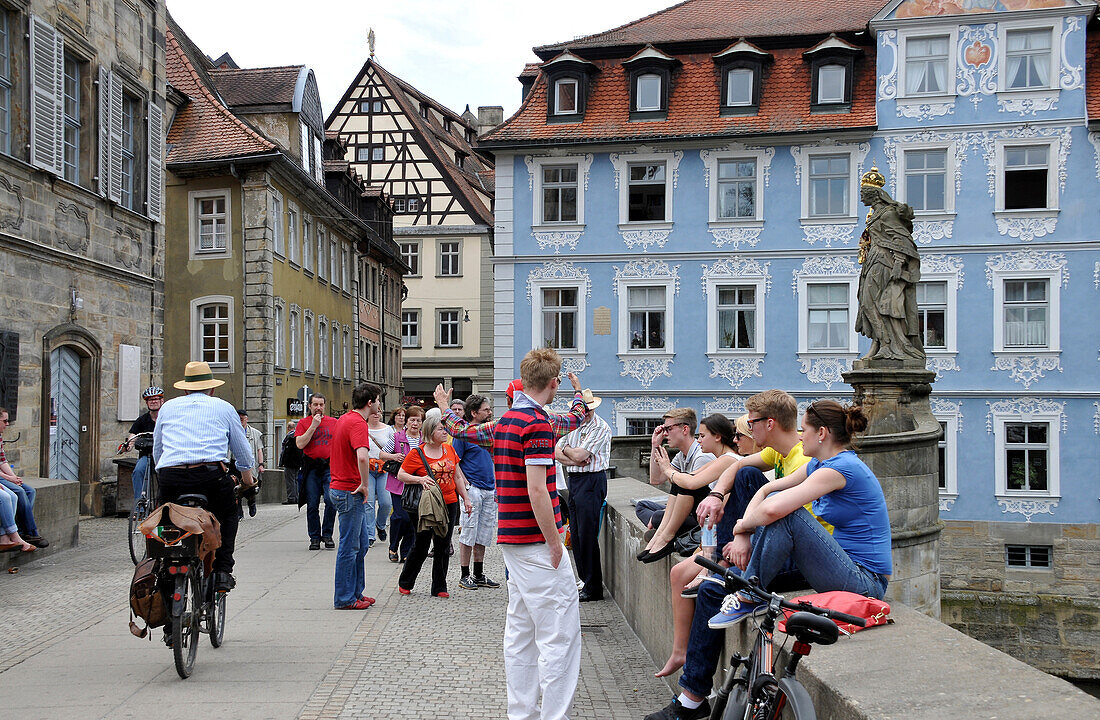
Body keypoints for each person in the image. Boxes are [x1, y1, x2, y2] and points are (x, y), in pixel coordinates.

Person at [643, 401, 892, 720]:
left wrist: (739, 528)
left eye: (806, 430)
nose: (802, 437)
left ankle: (748, 592)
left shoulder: (840, 468)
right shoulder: (818, 465)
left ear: (823, 433)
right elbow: (770, 490)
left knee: (789, 515)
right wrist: (743, 534)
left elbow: (776, 511)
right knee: (715, 588)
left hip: (864, 583)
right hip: (833, 571)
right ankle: (692, 700)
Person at [643, 391, 817, 720]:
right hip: (773, 544)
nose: (743, 435)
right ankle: (692, 699)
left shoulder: (803, 459)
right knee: (745, 476)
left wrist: (740, 533)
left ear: (769, 424)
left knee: (711, 587)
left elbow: (785, 520)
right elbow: (739, 468)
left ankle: (691, 700)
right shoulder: (779, 453)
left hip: (800, 560)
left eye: (749, 426)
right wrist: (719, 495)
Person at [494, 348, 581, 720]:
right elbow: (538, 489)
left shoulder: (506, 420)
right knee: (559, 634)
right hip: (535, 540)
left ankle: (522, 713)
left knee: (521, 633)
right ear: (553, 382)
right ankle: (553, 716)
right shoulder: (537, 423)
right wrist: (553, 541)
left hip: (512, 538)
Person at [153, 361, 255, 595]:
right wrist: (247, 479)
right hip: (209, 476)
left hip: (171, 476)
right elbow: (242, 451)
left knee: (167, 522)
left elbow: (158, 451)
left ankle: (167, 575)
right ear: (211, 389)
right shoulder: (223, 407)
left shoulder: (167, 408)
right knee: (228, 514)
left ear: (185, 389)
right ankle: (221, 571)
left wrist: (164, 473)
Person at [649, 414, 740, 678]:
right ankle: (679, 651)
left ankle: (664, 538)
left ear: (717, 437)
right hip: (713, 534)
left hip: (724, 539)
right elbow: (679, 482)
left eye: (703, 436)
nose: (699, 440)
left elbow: (687, 483)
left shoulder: (729, 459)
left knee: (664, 505)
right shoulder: (722, 458)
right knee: (678, 573)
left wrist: (668, 469)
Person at [396, 408, 471, 597]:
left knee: (443, 544)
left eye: (445, 429)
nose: (445, 432)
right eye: (441, 429)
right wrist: (419, 480)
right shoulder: (417, 453)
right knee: (421, 544)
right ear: (430, 432)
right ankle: (406, 581)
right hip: (426, 506)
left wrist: (466, 499)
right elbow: (401, 474)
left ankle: (439, 586)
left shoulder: (450, 449)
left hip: (449, 503)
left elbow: (457, 477)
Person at [433, 394, 500, 592]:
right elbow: (455, 461)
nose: (490, 412)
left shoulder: (487, 433)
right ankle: (464, 574)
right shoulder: (465, 435)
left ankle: (478, 574)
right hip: (474, 489)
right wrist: (466, 485)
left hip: (489, 488)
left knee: (484, 533)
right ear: (474, 413)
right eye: (486, 410)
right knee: (469, 531)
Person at [328, 382, 383, 610]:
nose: (379, 404)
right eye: (378, 400)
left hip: (340, 488)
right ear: (370, 402)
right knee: (349, 547)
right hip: (349, 490)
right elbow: (362, 457)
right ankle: (344, 598)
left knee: (360, 543)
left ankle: (356, 593)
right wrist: (364, 484)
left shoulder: (346, 419)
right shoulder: (359, 423)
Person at [637, 409, 715, 563]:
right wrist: (655, 445)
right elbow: (656, 479)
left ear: (685, 429)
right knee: (642, 505)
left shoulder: (702, 455)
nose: (665, 433)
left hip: (702, 517)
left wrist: (668, 470)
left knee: (660, 515)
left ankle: (663, 534)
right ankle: (662, 531)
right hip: (686, 509)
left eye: (668, 429)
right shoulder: (682, 455)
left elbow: (689, 488)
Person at [555, 389, 612, 602]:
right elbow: (557, 451)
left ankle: (593, 586)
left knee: (587, 535)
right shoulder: (574, 426)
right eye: (582, 409)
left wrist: (570, 451)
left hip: (591, 480)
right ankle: (584, 581)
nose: (585, 412)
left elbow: (576, 453)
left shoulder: (600, 427)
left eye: (588, 409)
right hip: (576, 480)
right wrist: (574, 457)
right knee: (577, 536)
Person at [0, 407, 47, 548]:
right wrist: (9, 478)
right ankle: (30, 533)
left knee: (29, 491)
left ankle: (21, 531)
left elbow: (2, 461)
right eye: (5, 421)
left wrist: (14, 477)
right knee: (17, 493)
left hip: (3, 475)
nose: (7, 424)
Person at [296, 394, 337, 551]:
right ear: (310, 406)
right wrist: (313, 426)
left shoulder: (334, 422)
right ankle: (314, 537)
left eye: (321, 404)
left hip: (329, 466)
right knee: (312, 504)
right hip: (311, 467)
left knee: (331, 500)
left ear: (324, 406)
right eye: (315, 405)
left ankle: (327, 534)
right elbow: (300, 444)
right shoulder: (303, 423)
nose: (318, 408)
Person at [386, 405, 422, 562]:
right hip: (398, 483)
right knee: (400, 516)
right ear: (406, 421)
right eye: (412, 420)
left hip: (417, 484)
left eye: (418, 420)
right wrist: (394, 457)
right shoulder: (397, 437)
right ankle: (393, 546)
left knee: (413, 519)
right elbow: (381, 454)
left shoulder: (424, 439)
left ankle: (406, 551)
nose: (415, 423)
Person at [365, 405, 400, 545]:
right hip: (367, 468)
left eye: (378, 412)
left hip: (384, 468)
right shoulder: (362, 428)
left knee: (386, 502)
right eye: (373, 412)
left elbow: (394, 447)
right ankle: (369, 535)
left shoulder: (388, 429)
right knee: (369, 503)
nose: (376, 414)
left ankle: (380, 525)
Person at [125, 386, 163, 504]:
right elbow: (133, 435)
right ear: (146, 402)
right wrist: (129, 445)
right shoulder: (142, 420)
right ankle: (140, 503)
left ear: (162, 401)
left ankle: (165, 503)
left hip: (163, 456)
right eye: (150, 400)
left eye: (156, 399)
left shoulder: (166, 417)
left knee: (170, 474)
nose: (154, 402)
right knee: (138, 471)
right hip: (146, 455)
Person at [231, 409, 264, 518]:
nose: (240, 421)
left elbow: (259, 449)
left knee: (250, 487)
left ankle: (251, 501)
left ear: (246, 419)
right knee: (235, 488)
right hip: (234, 463)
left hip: (249, 464)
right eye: (238, 418)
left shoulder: (255, 433)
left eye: (242, 418)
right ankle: (239, 512)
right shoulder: (232, 431)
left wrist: (261, 464)